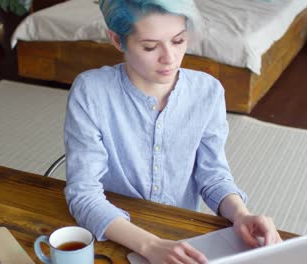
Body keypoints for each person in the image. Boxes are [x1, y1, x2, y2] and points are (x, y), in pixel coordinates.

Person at [64, 0, 282, 263]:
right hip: (114, 234)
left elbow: (213, 175)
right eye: (150, 46)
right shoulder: (91, 91)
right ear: (117, 40)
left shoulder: (208, 92)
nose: (169, 58)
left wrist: (240, 214)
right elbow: (83, 194)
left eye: (178, 41)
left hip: (183, 237)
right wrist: (150, 245)